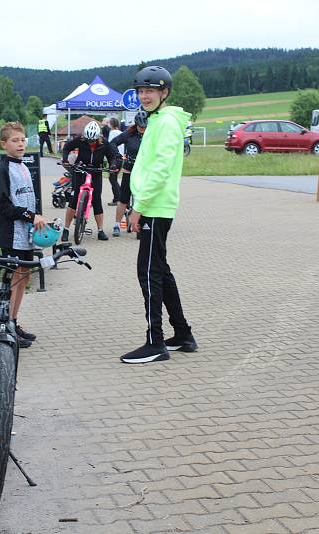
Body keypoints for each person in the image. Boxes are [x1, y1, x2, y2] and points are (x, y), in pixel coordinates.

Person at [120, 65, 198, 364]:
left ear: (164, 92)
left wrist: (139, 207)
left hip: (155, 206)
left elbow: (161, 168)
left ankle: (155, 342)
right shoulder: (158, 120)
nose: (144, 96)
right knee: (161, 271)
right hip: (152, 204)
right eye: (141, 91)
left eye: (150, 90)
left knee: (148, 273)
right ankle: (182, 334)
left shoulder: (165, 122)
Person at [0, 122, 47, 348]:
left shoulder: (23, 166)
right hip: (11, 234)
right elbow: (2, 206)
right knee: (15, 279)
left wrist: (37, 216)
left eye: (23, 140)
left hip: (25, 233)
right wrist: (28, 215)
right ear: (4, 144)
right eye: (15, 140)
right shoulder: (2, 170)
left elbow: (27, 197)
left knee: (23, 277)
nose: (20, 144)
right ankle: (6, 327)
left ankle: (14, 321)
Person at [60, 120, 121, 242]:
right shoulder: (80, 140)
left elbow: (113, 155)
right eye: (88, 140)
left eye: (93, 140)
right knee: (74, 199)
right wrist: (65, 159)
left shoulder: (104, 143)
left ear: (98, 136)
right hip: (81, 170)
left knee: (97, 200)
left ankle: (100, 230)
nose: (90, 142)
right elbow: (67, 147)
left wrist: (113, 165)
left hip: (96, 172)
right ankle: (66, 230)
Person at [109, 113, 146, 237]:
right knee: (123, 200)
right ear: (136, 125)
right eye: (141, 127)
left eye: (145, 126)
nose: (143, 129)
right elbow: (113, 143)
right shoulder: (129, 134)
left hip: (143, 172)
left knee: (141, 199)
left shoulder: (151, 135)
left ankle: (140, 223)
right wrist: (118, 156)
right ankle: (117, 225)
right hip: (129, 170)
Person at [106, 118, 123, 206]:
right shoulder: (121, 133)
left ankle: (118, 198)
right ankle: (119, 197)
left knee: (112, 179)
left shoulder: (112, 133)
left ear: (111, 124)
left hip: (114, 158)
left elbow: (109, 145)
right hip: (121, 158)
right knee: (113, 178)